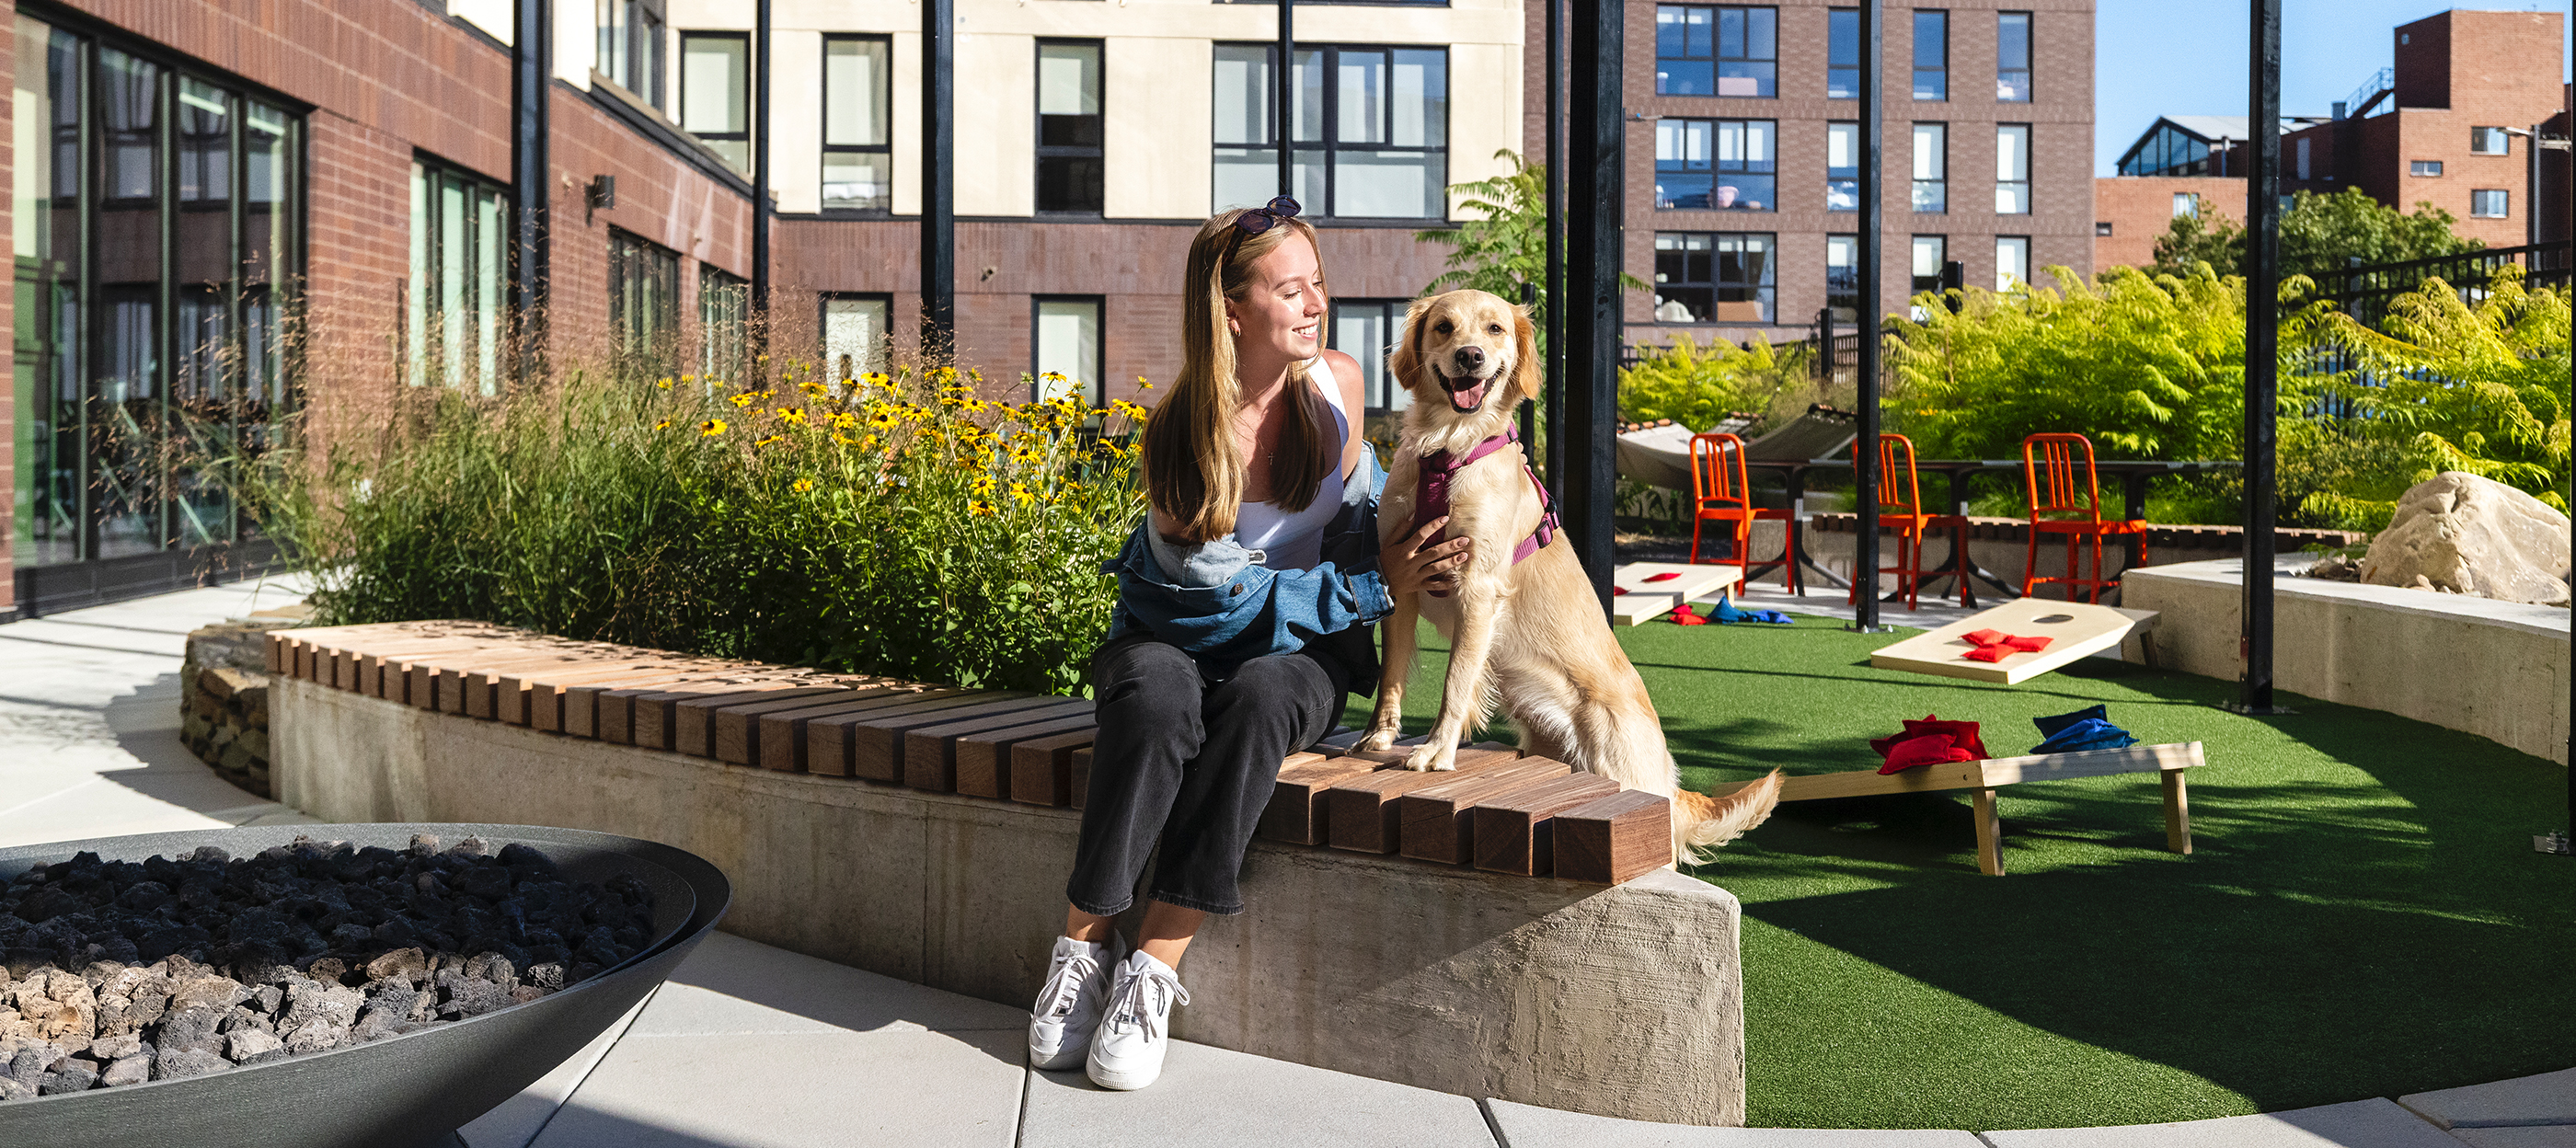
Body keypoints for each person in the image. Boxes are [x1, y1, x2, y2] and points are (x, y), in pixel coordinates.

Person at [1025, 198, 1471, 1090]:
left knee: (1262, 696)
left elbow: (1350, 536)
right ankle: (1081, 950)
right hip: (1171, 639)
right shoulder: (1182, 433)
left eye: (1320, 286)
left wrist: (1410, 554)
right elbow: (1208, 614)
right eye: (1291, 290)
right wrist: (1375, 582)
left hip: (1298, 659)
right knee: (1156, 695)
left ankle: (1155, 965)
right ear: (1232, 311)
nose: (1315, 305)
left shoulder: (1338, 387)